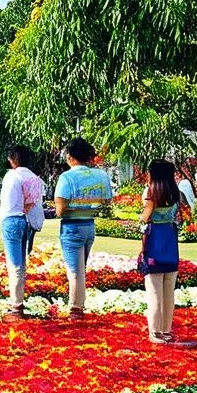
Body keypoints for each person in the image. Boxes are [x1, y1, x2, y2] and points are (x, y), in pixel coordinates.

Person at [54, 137, 114, 320]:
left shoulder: (67, 177)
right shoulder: (101, 176)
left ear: (71, 157)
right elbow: (107, 202)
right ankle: (78, 305)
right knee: (81, 268)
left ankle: (75, 308)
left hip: (72, 227)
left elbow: (59, 210)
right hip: (89, 226)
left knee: (74, 270)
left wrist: (73, 207)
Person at [0, 146, 45, 319]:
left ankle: (16, 305)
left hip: (11, 219)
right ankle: (17, 301)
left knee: (14, 265)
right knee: (21, 263)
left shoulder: (12, 175)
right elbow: (31, 203)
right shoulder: (33, 177)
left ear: (13, 159)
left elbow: (8, 201)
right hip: (25, 221)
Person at [140, 159, 182, 344]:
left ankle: (155, 332)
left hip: (155, 241)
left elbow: (146, 217)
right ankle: (166, 330)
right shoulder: (175, 192)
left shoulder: (151, 193)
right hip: (170, 241)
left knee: (154, 291)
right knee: (168, 291)